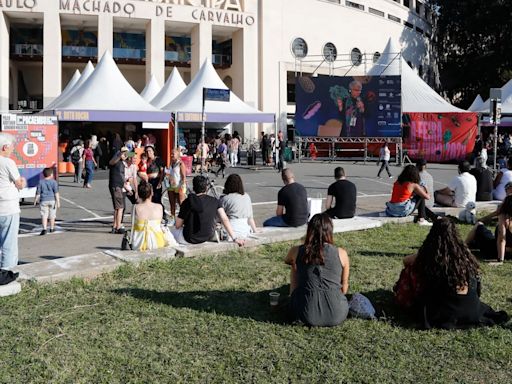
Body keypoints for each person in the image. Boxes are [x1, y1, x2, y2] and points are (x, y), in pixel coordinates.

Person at [401, 218, 509, 329]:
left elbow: (406, 261)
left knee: (410, 270)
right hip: (471, 310)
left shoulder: (429, 255)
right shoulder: (464, 254)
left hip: (443, 311)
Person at [284, 213, 350, 327]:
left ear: (309, 230)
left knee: (294, 265)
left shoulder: (296, 251)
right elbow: (344, 288)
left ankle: (292, 295)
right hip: (337, 314)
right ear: (330, 231)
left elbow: (287, 260)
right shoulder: (342, 253)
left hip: (305, 314)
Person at [172, 175, 245, 246]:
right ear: (206, 188)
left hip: (190, 238)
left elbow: (178, 225)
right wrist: (234, 238)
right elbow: (224, 219)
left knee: (173, 233)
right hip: (207, 236)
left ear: (194, 188)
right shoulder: (215, 201)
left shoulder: (188, 202)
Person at [0, 132, 26, 269]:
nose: (12, 150)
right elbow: (19, 184)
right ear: (5, 147)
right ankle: (6, 271)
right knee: (8, 242)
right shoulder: (8, 162)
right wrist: (24, 181)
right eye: (11, 147)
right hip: (8, 207)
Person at [466, 194, 512, 263]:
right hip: (509, 254)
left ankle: (463, 246)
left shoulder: (504, 217)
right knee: (488, 235)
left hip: (495, 251)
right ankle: (473, 243)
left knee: (479, 225)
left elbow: (502, 239)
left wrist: (500, 260)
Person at [131, 181, 174, 251]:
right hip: (158, 242)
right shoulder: (159, 207)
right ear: (152, 193)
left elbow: (133, 223)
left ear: (139, 194)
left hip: (139, 244)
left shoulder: (135, 208)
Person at [221, 174, 258, 239]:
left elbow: (220, 218)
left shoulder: (225, 198)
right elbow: (250, 218)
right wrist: (255, 230)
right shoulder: (246, 196)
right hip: (245, 230)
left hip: (231, 230)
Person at [34, 167, 60, 235]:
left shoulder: (40, 182)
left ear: (43, 175)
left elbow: (38, 193)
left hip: (43, 200)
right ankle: (52, 228)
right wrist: (58, 202)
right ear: (51, 174)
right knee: (52, 215)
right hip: (52, 200)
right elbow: (56, 193)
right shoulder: (54, 182)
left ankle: (44, 229)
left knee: (44, 215)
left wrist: (35, 200)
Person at [109, 147, 129, 234]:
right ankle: (118, 226)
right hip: (116, 186)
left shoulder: (120, 162)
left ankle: (114, 226)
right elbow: (111, 162)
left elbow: (133, 155)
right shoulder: (116, 161)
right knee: (120, 207)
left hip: (117, 186)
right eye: (125, 154)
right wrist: (120, 154)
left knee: (117, 208)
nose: (126, 156)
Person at [166, 148, 187, 223]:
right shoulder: (171, 163)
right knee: (172, 203)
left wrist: (182, 186)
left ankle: (183, 219)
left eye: (173, 154)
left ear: (178, 155)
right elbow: (169, 173)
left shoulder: (181, 163)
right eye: (171, 154)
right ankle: (172, 218)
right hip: (171, 185)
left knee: (181, 203)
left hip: (179, 186)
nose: (171, 155)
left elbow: (184, 177)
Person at [145, 145, 165, 215]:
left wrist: (160, 182)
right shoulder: (146, 161)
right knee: (150, 200)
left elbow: (162, 172)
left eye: (150, 151)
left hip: (156, 181)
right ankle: (153, 215)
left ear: (153, 151)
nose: (148, 152)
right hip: (148, 182)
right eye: (147, 151)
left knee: (157, 199)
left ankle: (162, 215)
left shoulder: (158, 159)